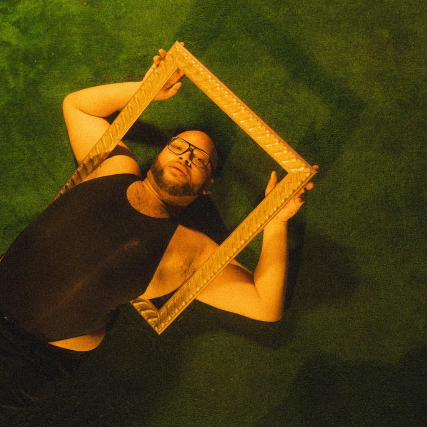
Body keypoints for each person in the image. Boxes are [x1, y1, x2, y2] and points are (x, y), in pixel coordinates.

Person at [0, 47, 316, 419]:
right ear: (160, 154)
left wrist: (275, 223)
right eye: (178, 146)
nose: (186, 156)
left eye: (200, 160)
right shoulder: (115, 166)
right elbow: (78, 107)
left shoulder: (192, 249)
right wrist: (149, 89)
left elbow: (265, 305)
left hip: (30, 361)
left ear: (207, 186)